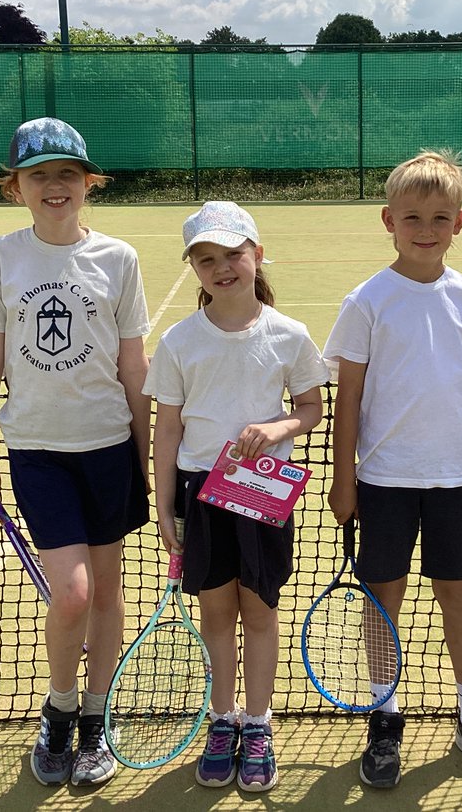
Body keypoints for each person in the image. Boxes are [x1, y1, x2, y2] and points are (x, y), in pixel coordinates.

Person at [323, 149, 462, 790]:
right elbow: (346, 397)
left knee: (456, 597)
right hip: (383, 481)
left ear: (460, 222)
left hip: (454, 478)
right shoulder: (367, 301)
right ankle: (385, 715)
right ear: (389, 220)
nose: (426, 228)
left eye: (440, 216)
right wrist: (344, 476)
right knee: (385, 602)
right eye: (412, 216)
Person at [0, 117, 152, 788]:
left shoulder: (119, 259)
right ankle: (61, 707)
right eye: (38, 175)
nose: (54, 186)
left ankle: (97, 719)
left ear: (87, 183)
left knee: (107, 591)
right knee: (71, 593)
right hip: (37, 452)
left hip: (109, 445)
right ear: (15, 187)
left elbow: (135, 367)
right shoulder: (1, 257)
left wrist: (145, 456)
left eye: (67, 174)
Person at [143, 201, 328, 793]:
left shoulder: (291, 335)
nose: (222, 268)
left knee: (261, 614)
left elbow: (311, 410)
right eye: (206, 259)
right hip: (202, 493)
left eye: (232, 254)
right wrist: (166, 505)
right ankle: (221, 722)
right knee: (217, 616)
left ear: (257, 255)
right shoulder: (178, 342)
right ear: (194, 269)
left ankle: (258, 724)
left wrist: (277, 429)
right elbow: (166, 430)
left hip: (263, 492)